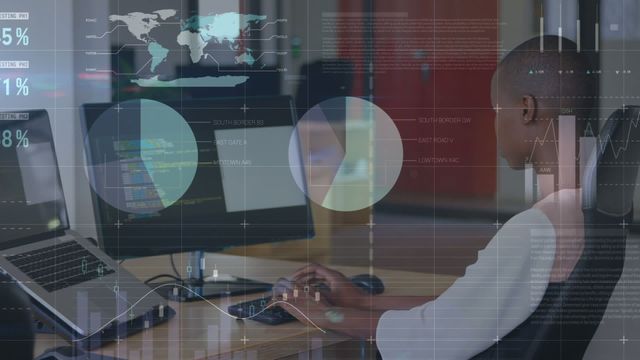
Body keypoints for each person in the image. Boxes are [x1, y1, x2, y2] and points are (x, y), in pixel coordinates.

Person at [275, 35, 596, 359]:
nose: (494, 123)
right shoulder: (580, 213)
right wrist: (361, 300)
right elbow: (461, 310)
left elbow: (434, 336)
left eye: (497, 110)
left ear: (526, 109)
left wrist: (321, 314)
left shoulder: (535, 229)